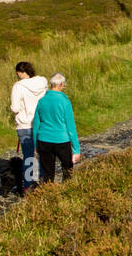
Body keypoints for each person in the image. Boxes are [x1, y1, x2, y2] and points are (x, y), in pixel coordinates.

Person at [31, 72, 82, 185]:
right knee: (67, 170)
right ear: (62, 85)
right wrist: (76, 149)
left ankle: (47, 195)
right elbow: (71, 128)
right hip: (62, 141)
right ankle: (65, 193)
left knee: (47, 173)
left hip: (44, 140)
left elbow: (36, 125)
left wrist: (36, 144)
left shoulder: (41, 101)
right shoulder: (65, 102)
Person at [10, 61, 48, 193]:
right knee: (42, 153)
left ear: (19, 73)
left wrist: (21, 108)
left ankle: (28, 185)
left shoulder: (18, 86)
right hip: (41, 123)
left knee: (28, 156)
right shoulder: (43, 83)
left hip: (25, 124)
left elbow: (15, 108)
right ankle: (44, 182)